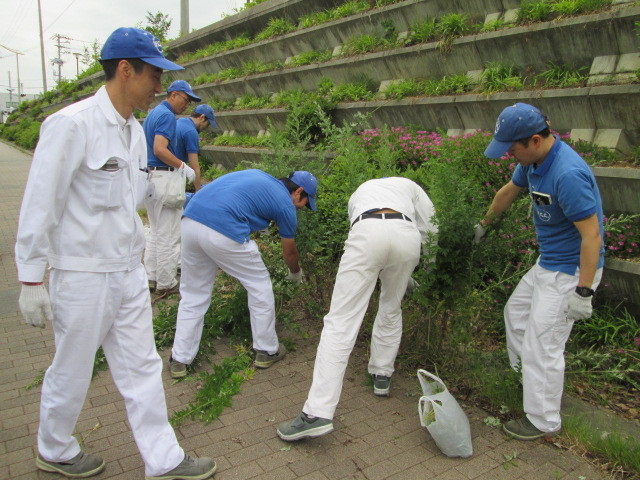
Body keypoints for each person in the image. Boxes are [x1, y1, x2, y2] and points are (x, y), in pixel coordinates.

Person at [15, 27, 216, 480]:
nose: (159, 87)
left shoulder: (133, 131)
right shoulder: (72, 125)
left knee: (143, 367)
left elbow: (129, 204)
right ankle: (54, 448)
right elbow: (40, 202)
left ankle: (164, 459)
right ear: (126, 69)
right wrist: (30, 278)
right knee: (72, 367)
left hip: (126, 272)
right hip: (83, 274)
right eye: (154, 75)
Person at [473, 103, 604, 441]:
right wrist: (483, 226)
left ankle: (544, 419)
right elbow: (508, 193)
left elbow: (592, 236)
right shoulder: (534, 162)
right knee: (515, 315)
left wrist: (583, 291)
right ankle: (530, 382)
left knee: (542, 345)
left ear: (534, 140)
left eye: (512, 148)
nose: (509, 155)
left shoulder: (567, 174)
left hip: (570, 272)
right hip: (547, 263)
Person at [277, 177, 437, 441]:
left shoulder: (360, 190)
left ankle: (318, 412)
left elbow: (365, 229)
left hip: (368, 230)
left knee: (341, 321)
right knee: (391, 306)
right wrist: (425, 269)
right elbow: (431, 226)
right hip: (407, 238)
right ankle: (382, 374)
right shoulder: (413, 187)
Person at [168, 169, 318, 378]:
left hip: (191, 221)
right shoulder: (285, 204)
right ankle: (267, 350)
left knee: (193, 295)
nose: (302, 208)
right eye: (305, 203)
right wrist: (296, 273)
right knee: (259, 286)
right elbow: (289, 251)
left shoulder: (257, 175)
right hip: (221, 229)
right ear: (298, 192)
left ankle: (179, 359)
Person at [143, 79, 201, 294]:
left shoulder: (154, 113)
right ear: (174, 94)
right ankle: (166, 283)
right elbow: (160, 149)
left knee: (157, 232)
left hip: (151, 177)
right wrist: (182, 166)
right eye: (185, 100)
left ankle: (151, 276)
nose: (186, 105)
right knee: (169, 234)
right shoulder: (167, 116)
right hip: (164, 178)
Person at [173, 103, 219, 192]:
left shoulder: (179, 122)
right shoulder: (191, 132)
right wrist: (198, 190)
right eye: (208, 124)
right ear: (202, 117)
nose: (206, 127)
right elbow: (194, 166)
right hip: (173, 174)